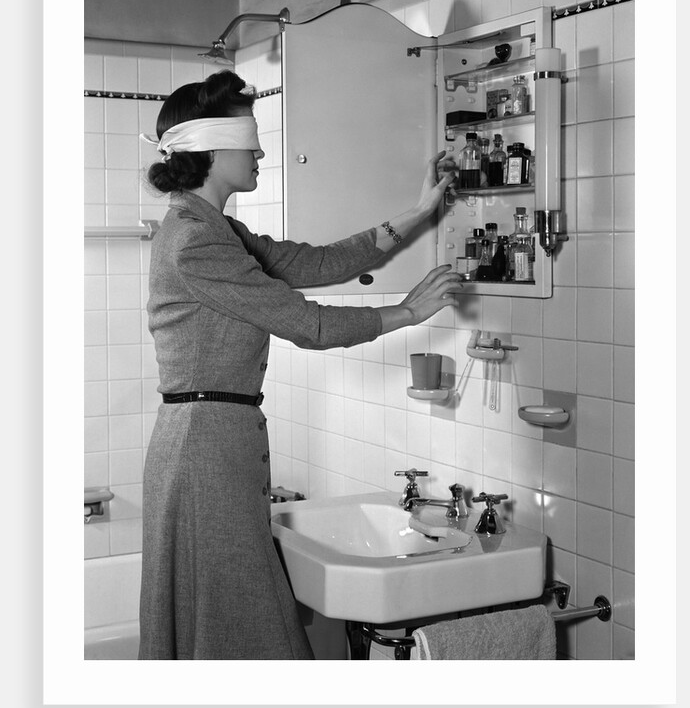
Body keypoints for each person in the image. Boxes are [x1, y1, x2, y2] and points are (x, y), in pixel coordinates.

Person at [138, 69, 464, 660]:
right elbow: (305, 323)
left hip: (212, 441)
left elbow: (317, 263)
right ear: (211, 148)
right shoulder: (195, 240)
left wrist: (420, 210)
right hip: (203, 448)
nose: (261, 151)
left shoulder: (216, 229)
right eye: (250, 138)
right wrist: (406, 313)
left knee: (228, 624)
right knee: (245, 623)